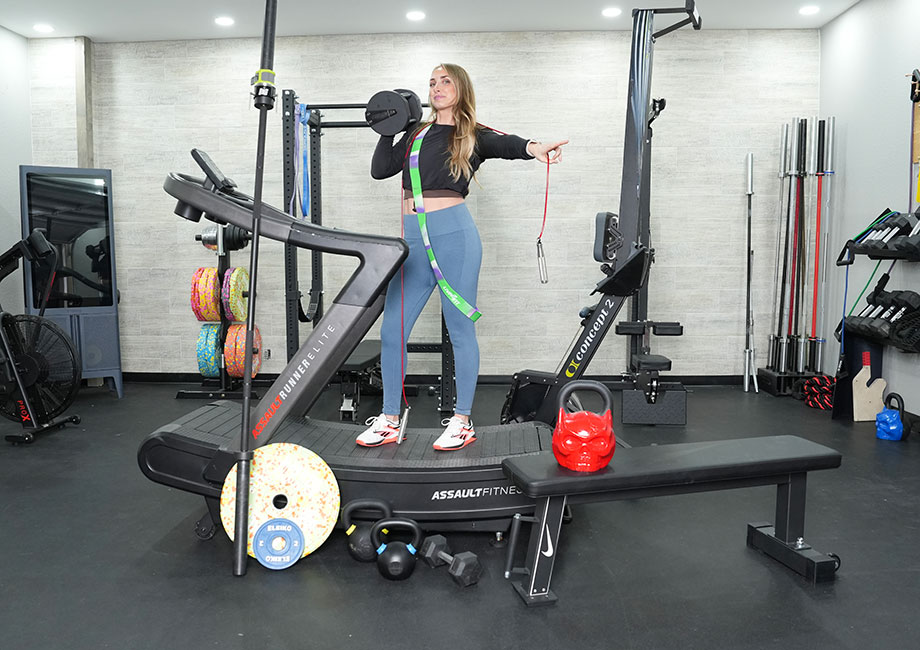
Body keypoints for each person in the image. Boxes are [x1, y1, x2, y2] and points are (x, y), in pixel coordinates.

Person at [356, 63, 567, 451]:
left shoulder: (471, 133)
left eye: (445, 81)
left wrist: (536, 148)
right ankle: (388, 419)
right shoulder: (415, 134)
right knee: (392, 331)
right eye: (432, 83)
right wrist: (390, 127)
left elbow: (510, 145)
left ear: (461, 87)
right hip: (414, 241)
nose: (436, 87)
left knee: (459, 329)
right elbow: (380, 170)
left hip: (454, 236)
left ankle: (462, 420)